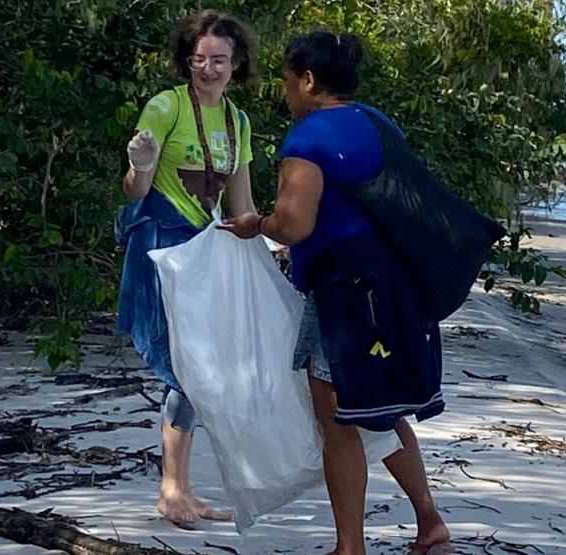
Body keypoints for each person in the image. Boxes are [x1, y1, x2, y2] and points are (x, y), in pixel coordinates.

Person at [223, 31, 451, 555]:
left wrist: (256, 225)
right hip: (398, 288)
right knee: (382, 408)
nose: (284, 91)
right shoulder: (378, 122)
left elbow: (293, 224)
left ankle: (350, 547)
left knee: (340, 420)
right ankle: (430, 523)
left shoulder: (309, 138)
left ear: (308, 80)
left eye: (287, 80)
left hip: (347, 296)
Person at [117, 10, 258, 529]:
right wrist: (142, 164)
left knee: (200, 370)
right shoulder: (166, 106)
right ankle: (172, 490)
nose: (208, 69)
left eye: (219, 60)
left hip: (205, 255)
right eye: (199, 59)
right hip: (162, 251)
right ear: (186, 61)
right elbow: (134, 190)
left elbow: (242, 206)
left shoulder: (238, 122)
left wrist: (274, 242)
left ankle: (181, 488)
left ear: (236, 63)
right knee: (186, 368)